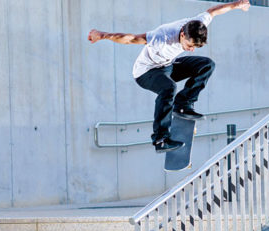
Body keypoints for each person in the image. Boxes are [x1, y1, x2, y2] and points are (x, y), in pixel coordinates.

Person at [88, 0, 251, 153]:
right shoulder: (162, 37)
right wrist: (101, 35)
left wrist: (239, 4)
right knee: (169, 88)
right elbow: (131, 39)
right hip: (146, 72)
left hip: (168, 66)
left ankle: (183, 104)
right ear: (181, 34)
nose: (191, 50)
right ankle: (160, 139)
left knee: (207, 65)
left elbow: (213, 11)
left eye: (194, 47)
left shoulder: (196, 24)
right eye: (189, 45)